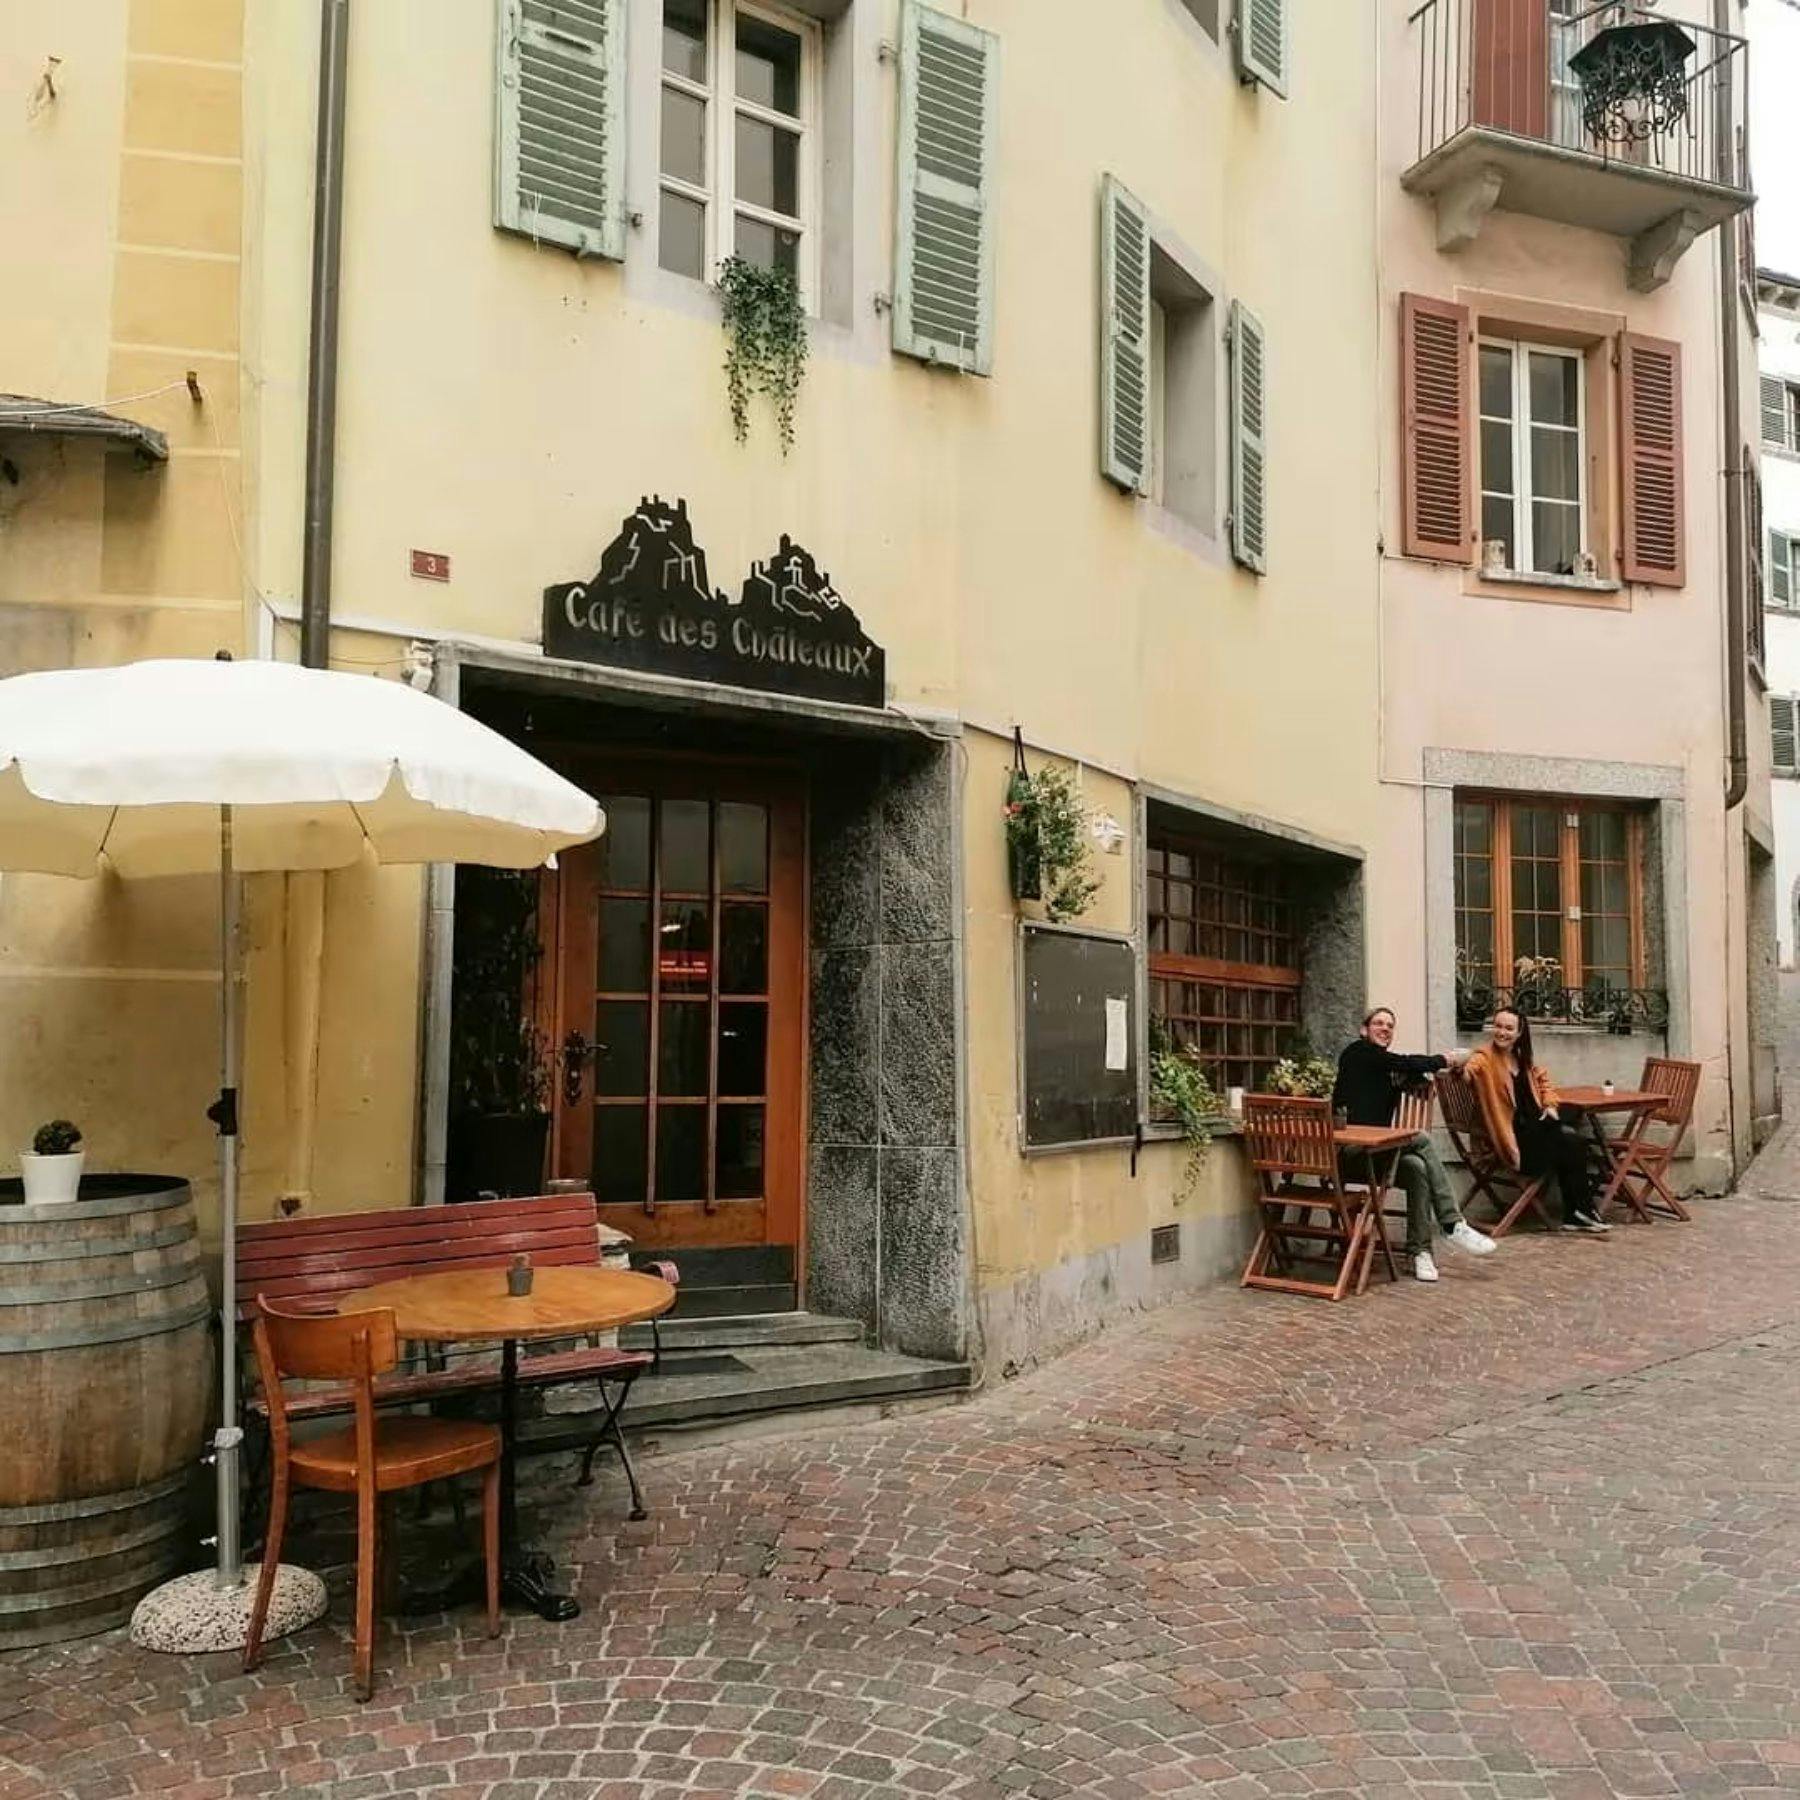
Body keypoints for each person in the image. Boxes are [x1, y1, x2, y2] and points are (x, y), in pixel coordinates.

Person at [1334, 1007, 1497, 1284]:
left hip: (1376, 1154)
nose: (1385, 1028)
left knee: (1416, 1168)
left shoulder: (1386, 1067)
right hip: (1349, 1154)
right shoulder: (1357, 1053)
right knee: (1421, 1138)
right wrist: (1444, 1059)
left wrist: (1451, 1070)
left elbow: (1417, 1080)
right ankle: (1452, 1223)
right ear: (1364, 1030)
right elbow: (1406, 1062)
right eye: (1378, 1023)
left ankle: (1420, 1252)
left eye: (1390, 1025)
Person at [1465, 1006, 1610, 1235]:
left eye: (1508, 1028)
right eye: (1498, 1026)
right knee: (1572, 1141)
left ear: (1519, 1033)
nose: (1501, 1032)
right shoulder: (1485, 1058)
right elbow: (1469, 1068)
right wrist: (1458, 1064)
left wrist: (1550, 1106)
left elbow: (1545, 1084)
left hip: (1535, 1129)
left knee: (1571, 1118)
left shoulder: (1522, 1060)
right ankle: (1579, 1211)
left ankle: (1577, 1213)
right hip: (1515, 1140)